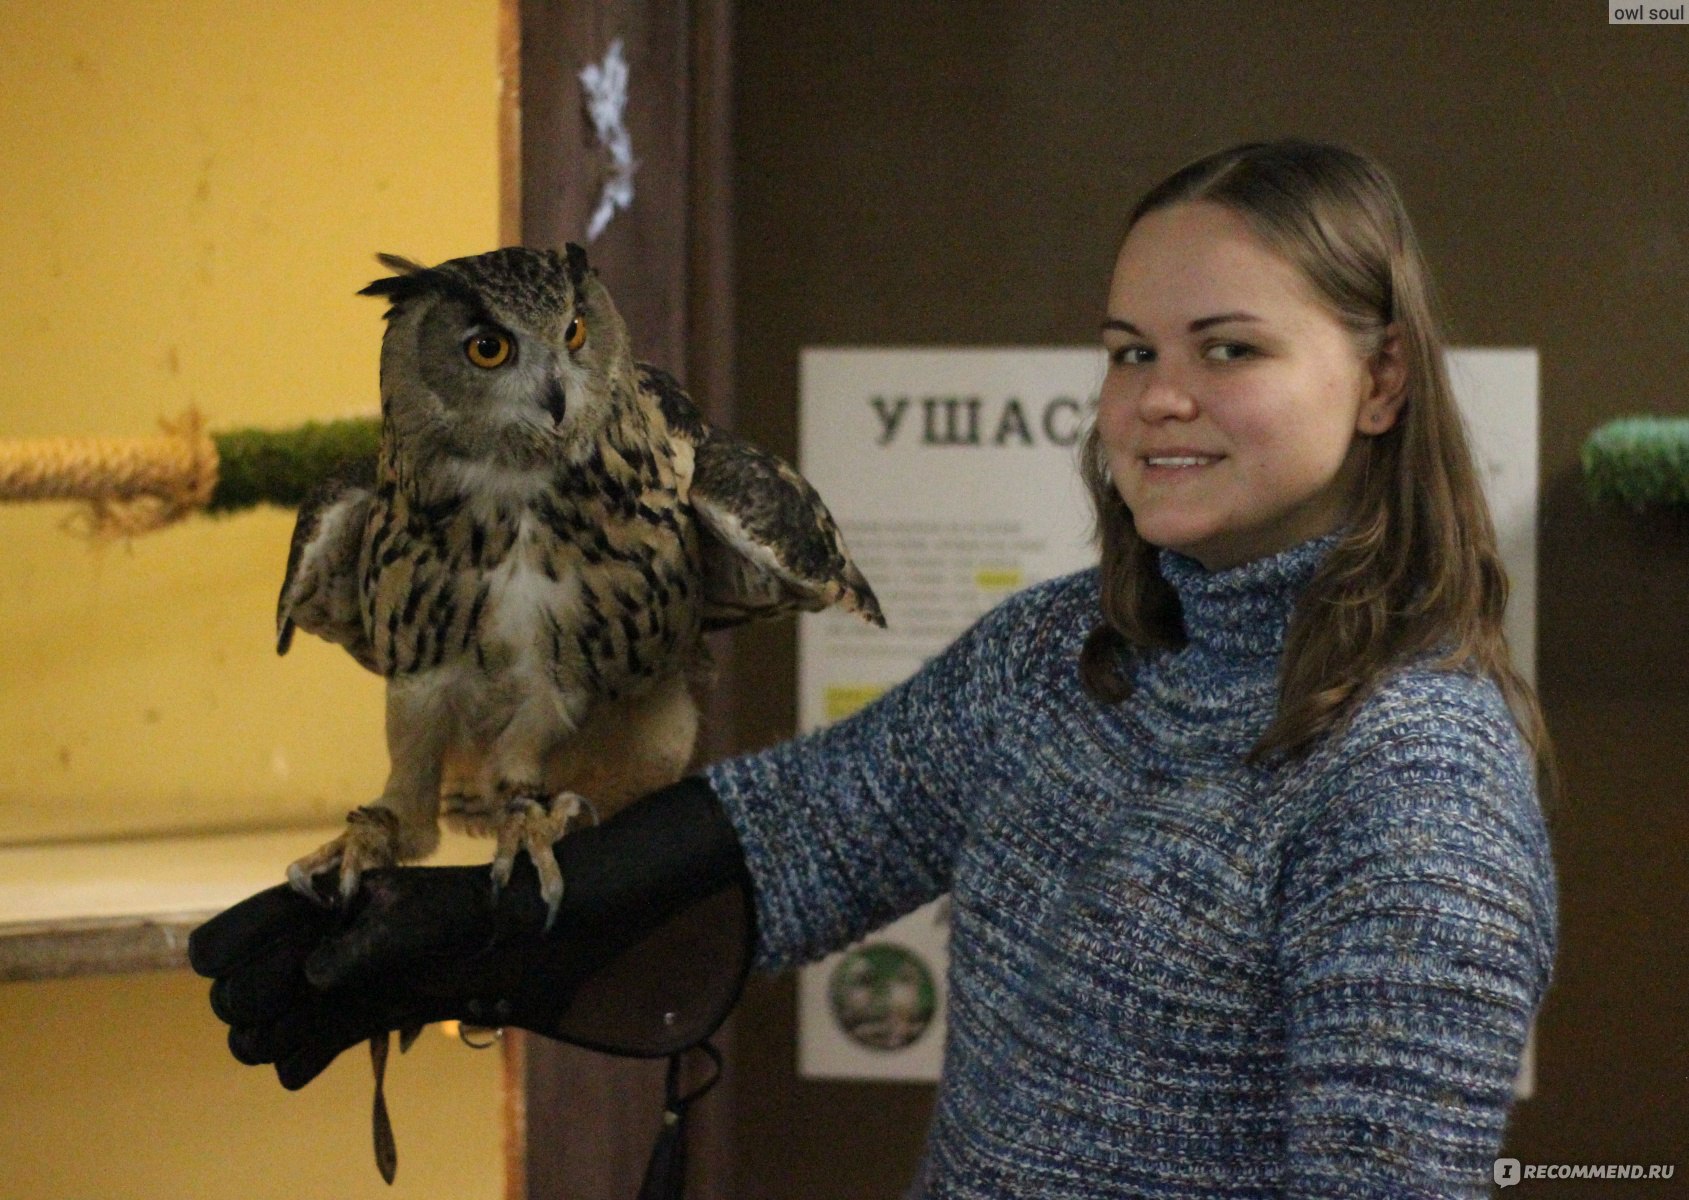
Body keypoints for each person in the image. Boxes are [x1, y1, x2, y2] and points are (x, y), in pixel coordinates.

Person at [191, 139, 1557, 1199]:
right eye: (1130, 350)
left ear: (1379, 384)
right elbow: (804, 827)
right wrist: (457, 947)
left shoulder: (1415, 770)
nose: (1156, 398)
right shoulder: (1057, 653)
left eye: (1230, 349)